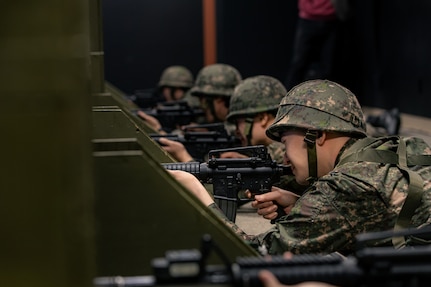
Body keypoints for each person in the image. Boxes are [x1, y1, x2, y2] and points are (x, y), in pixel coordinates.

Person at [169, 79, 431, 258]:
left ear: (314, 136)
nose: (284, 156)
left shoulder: (344, 186)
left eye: (285, 141)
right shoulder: (401, 148)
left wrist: (199, 195)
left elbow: (254, 253)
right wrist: (302, 204)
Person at [157, 63, 242, 162]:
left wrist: (183, 156)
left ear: (219, 100)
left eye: (204, 101)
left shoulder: (239, 134)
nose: (201, 106)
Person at [284, 0, 350, 91]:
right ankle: (288, 97)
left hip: (332, 20)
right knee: (299, 63)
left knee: (329, 65)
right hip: (308, 19)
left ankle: (327, 98)